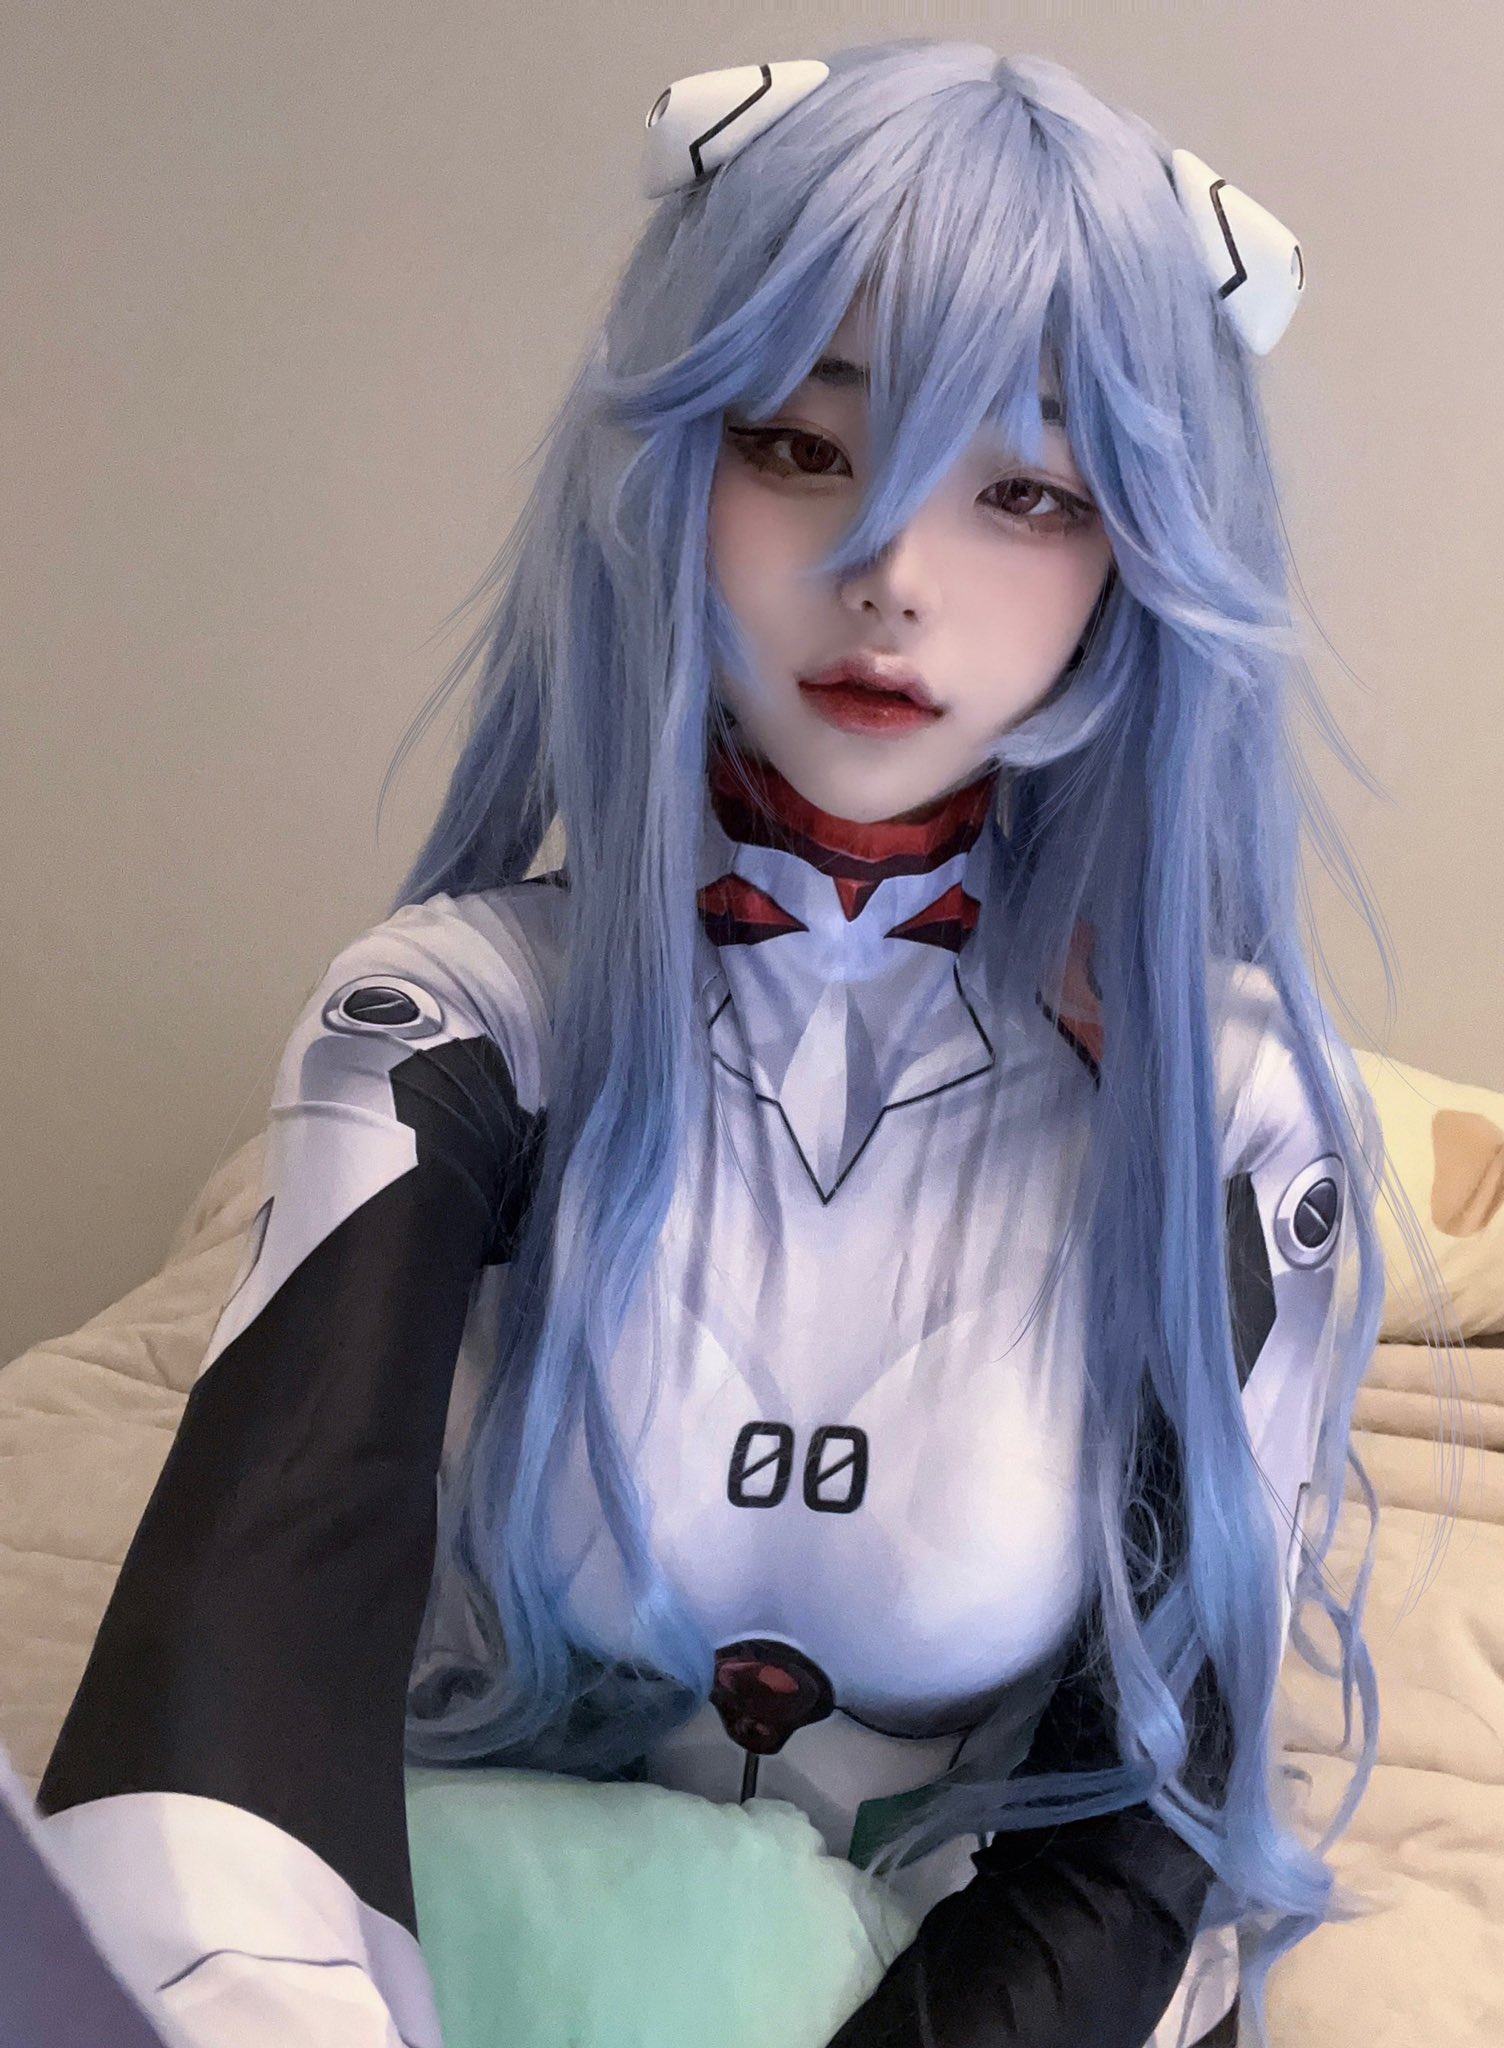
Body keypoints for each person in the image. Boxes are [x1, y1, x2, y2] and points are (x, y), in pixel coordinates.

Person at [28, 37, 1430, 2048]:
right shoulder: (453, 1020)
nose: (893, 575)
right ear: (674, 466)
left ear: (1144, 549)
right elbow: (233, 1684)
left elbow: (1153, 1845)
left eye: (1027, 490)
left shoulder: (1230, 1117)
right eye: (799, 446)